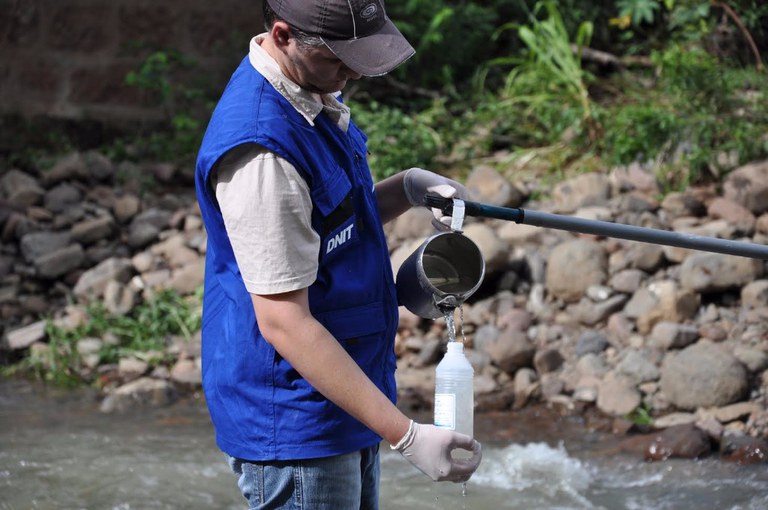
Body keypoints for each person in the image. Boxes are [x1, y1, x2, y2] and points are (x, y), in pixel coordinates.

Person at [194, 0, 483, 508]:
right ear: (283, 36)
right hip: (297, 420)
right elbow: (284, 321)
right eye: (339, 59)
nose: (354, 72)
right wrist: (407, 435)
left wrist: (408, 188)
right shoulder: (262, 153)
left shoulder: (309, 91)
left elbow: (330, 219)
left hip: (347, 395)